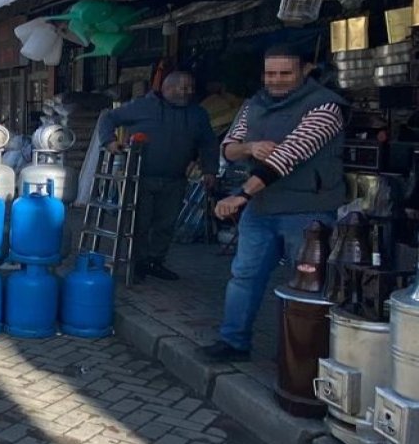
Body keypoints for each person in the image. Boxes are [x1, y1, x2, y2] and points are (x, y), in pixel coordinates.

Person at [202, 45, 346, 362]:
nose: (276, 80)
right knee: (244, 276)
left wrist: (241, 195)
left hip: (307, 212)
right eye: (270, 73)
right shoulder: (255, 104)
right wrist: (250, 146)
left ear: (304, 71)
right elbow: (228, 147)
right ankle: (233, 343)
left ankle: (304, 356)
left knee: (307, 286)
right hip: (263, 207)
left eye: (285, 73)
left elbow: (286, 158)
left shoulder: (326, 107)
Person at [95, 72, 219, 281]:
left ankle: (155, 261)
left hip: (175, 178)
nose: (190, 92)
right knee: (138, 223)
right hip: (141, 176)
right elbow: (108, 117)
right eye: (184, 87)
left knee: (166, 224)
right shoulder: (142, 106)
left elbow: (208, 143)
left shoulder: (197, 114)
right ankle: (136, 264)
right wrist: (109, 141)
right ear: (168, 88)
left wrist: (210, 170)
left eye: (190, 87)